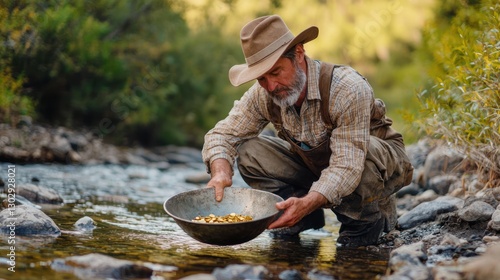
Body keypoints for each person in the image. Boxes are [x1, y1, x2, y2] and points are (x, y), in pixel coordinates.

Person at [201, 15, 414, 247]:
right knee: (250, 151)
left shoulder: (347, 89)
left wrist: (310, 201)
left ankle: (364, 220)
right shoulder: (263, 94)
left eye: (276, 72)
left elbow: (347, 166)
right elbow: (222, 135)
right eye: (261, 78)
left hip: (371, 168)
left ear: (299, 54)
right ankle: (297, 217)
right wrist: (221, 171)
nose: (270, 86)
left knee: (364, 155)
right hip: (320, 169)